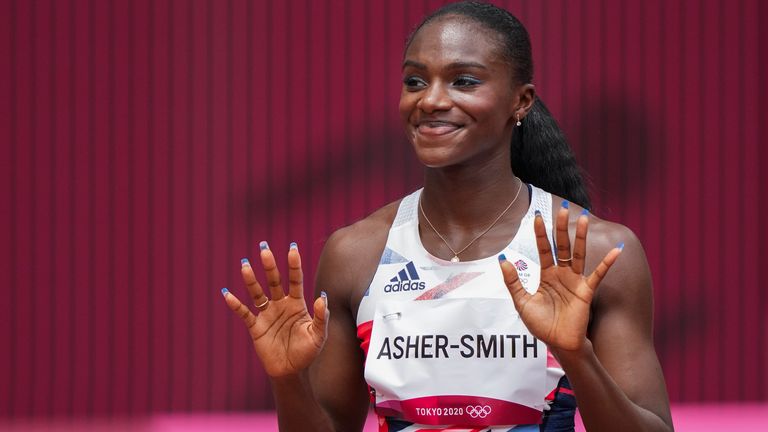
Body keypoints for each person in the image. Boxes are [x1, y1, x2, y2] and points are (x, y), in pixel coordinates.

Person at [221, 2, 674, 431]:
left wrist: (577, 355)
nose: (431, 100)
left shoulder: (594, 250)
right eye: (415, 81)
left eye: (464, 81)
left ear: (522, 101)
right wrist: (286, 380)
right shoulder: (356, 254)